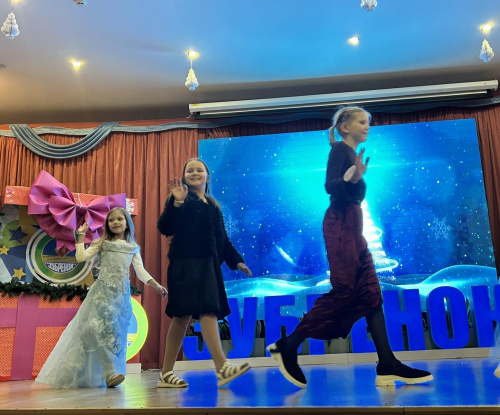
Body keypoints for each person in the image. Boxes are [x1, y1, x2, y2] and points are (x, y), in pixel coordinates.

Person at [267, 106, 434, 388]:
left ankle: (387, 363)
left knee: (371, 293)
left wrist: (354, 175)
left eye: (368, 122)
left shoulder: (345, 152)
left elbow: (346, 186)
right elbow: (331, 185)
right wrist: (351, 177)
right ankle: (289, 344)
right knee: (345, 289)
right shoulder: (340, 150)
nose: (367, 126)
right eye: (361, 122)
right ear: (345, 127)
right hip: (342, 224)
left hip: (352, 226)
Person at [35, 207, 168, 388]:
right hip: (101, 294)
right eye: (111, 220)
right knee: (93, 328)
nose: (115, 222)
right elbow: (81, 257)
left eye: (119, 219)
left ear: (127, 223)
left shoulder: (132, 248)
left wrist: (156, 285)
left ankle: (109, 373)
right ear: (107, 224)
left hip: (120, 297)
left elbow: (141, 271)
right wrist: (81, 236)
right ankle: (109, 372)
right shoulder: (102, 243)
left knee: (113, 334)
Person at [157, 158, 252, 388]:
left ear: (207, 176)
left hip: (208, 266)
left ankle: (172, 373)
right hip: (185, 265)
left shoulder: (213, 204)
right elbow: (166, 227)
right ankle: (217, 367)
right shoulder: (180, 198)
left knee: (194, 314)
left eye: (199, 170)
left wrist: (236, 261)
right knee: (193, 313)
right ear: (184, 176)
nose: (194, 173)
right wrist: (177, 202)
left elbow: (222, 239)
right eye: (189, 170)